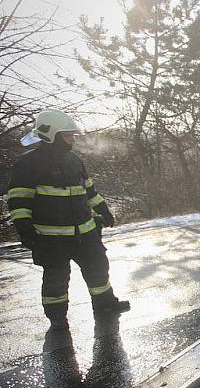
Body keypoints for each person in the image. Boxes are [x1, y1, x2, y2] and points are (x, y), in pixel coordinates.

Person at [7, 109, 130, 329]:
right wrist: (25, 229)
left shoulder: (74, 161)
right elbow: (19, 200)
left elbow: (89, 191)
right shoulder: (29, 164)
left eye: (72, 135)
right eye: (67, 135)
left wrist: (103, 210)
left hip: (85, 233)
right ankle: (57, 319)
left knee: (98, 267)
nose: (72, 139)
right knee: (57, 279)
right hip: (51, 239)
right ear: (50, 135)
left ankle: (105, 304)